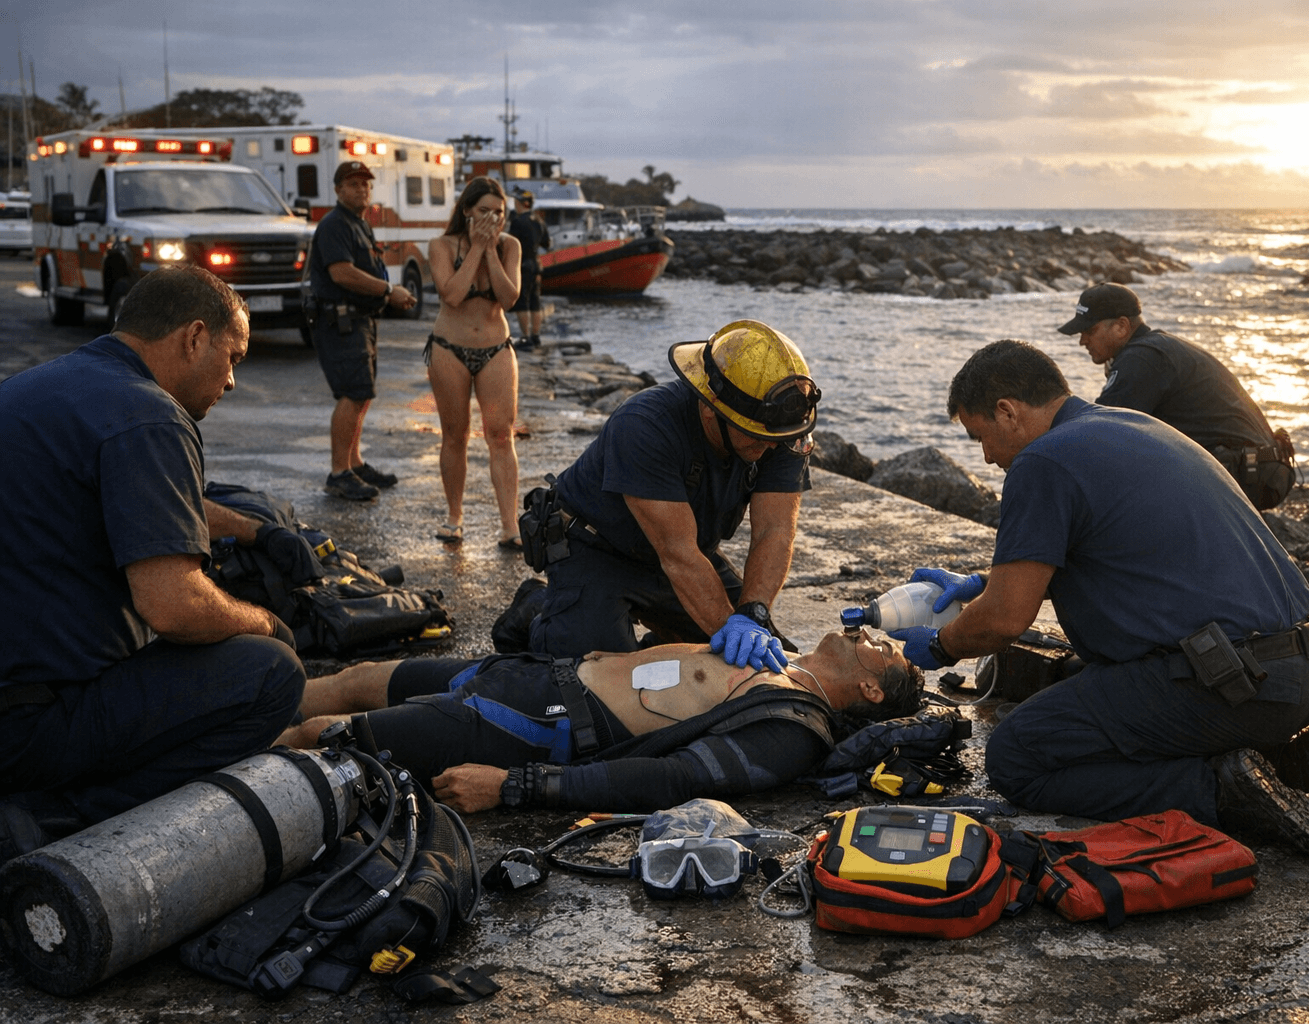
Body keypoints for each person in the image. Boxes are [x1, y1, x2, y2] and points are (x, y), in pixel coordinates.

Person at [889, 340, 1309, 859]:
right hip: (1308, 671)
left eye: (980, 437)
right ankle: (1294, 763)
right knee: (1063, 679)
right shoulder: (1136, 427)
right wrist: (984, 583)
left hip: (1238, 687)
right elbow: (1115, 551)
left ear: (1008, 412)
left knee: (1019, 755)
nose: (985, 457)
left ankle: (1224, 790)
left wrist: (940, 647)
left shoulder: (1040, 461)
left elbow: (1004, 622)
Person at [0, 267, 307, 862]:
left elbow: (143, 495)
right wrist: (267, 624)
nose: (234, 380)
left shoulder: (43, 388)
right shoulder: (152, 415)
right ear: (195, 337)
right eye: (233, 355)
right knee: (270, 671)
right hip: (28, 727)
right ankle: (60, 817)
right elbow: (174, 607)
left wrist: (249, 527)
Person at [279, 628, 924, 813]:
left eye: (884, 647)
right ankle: (219, 710)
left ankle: (202, 784)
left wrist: (514, 787)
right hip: (540, 671)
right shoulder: (770, 652)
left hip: (539, 725)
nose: (870, 628)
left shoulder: (794, 730)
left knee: (321, 739)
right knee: (351, 680)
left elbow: (670, 780)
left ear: (869, 687)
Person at [523, 319, 819, 672]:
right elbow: (677, 555)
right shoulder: (645, 426)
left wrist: (752, 616)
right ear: (711, 405)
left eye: (777, 437)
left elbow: (775, 531)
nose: (770, 445)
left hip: (687, 551)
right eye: (753, 435)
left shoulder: (782, 427)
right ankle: (539, 615)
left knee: (770, 664)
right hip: (598, 549)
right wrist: (727, 629)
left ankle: (658, 642)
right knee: (598, 679)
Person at [1058, 282, 1295, 510]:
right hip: (1264, 468)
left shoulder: (1142, 358)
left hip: (1246, 475)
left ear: (1121, 327)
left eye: (1090, 330)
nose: (1082, 341)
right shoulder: (1160, 346)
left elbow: (1097, 433)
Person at [308, 160, 418, 501]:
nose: (361, 189)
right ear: (339, 189)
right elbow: (342, 273)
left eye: (366, 184)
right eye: (353, 184)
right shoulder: (334, 225)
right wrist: (388, 291)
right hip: (340, 320)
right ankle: (339, 472)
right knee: (353, 393)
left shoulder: (358, 224)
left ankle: (354, 463)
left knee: (363, 393)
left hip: (360, 320)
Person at [424, 177, 524, 546]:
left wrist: (490, 251)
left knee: (500, 434)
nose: (491, 219)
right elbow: (451, 294)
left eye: (498, 213)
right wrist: (476, 249)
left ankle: (510, 526)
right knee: (455, 435)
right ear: (466, 210)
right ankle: (454, 518)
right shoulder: (441, 245)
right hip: (449, 348)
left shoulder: (510, 245)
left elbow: (509, 297)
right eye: (483, 211)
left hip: (496, 348)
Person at [506, 188, 550, 350]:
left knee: (522, 302)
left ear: (520, 203)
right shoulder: (539, 220)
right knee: (535, 301)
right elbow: (547, 243)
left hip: (523, 264)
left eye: (516, 203)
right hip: (536, 264)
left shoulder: (518, 222)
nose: (515, 205)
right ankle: (536, 336)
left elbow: (510, 243)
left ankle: (525, 338)